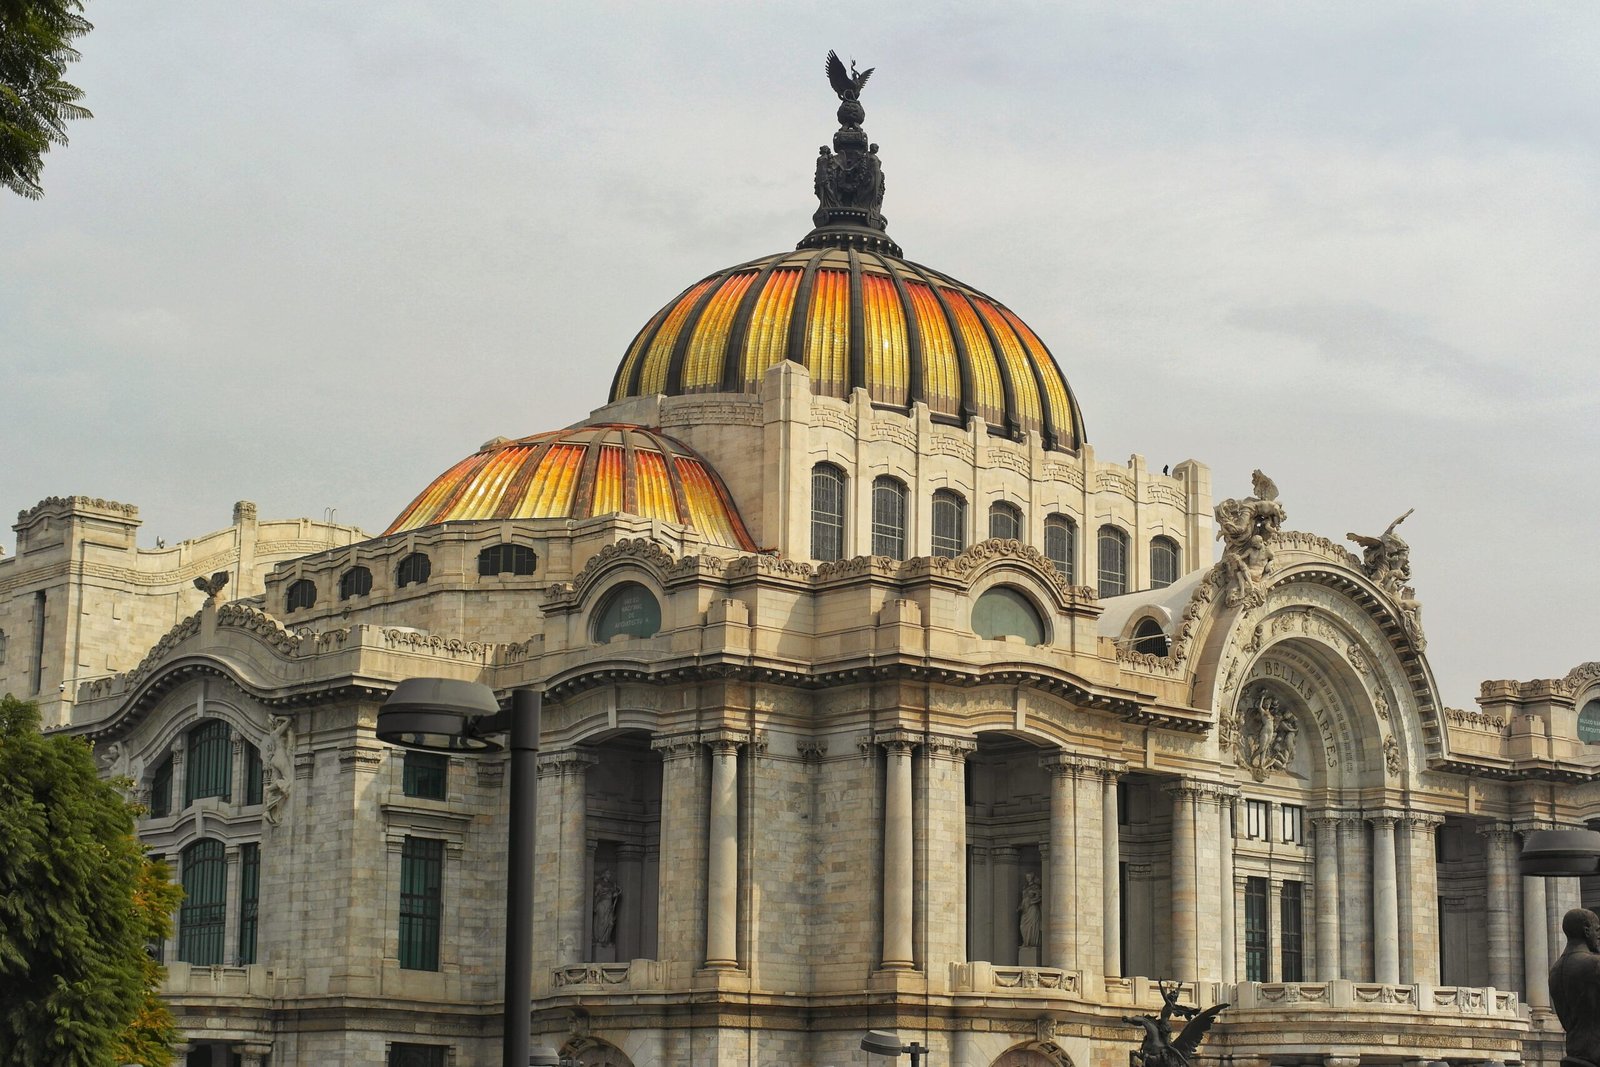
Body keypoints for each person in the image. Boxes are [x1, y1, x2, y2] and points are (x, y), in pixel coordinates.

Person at [1551, 907, 1600, 1066]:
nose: (1598, 936)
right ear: (1587, 931)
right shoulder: (1595, 964)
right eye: (1597, 930)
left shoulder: (1555, 971)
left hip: (1574, 1055)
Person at [593, 869, 622, 947]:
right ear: (604, 874)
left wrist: (616, 894)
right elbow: (596, 895)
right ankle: (599, 939)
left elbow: (613, 895)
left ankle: (606, 939)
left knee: (610, 922)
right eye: (608, 874)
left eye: (610, 874)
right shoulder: (599, 884)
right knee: (601, 921)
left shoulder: (612, 885)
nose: (609, 875)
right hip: (602, 904)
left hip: (609, 905)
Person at [1017, 872, 1042, 949]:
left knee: (1032, 925)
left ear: (1032, 877)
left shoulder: (1035, 886)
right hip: (1025, 910)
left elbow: (1040, 896)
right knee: (1023, 926)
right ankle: (1026, 942)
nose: (1028, 878)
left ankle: (1032, 943)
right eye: (1027, 877)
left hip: (1032, 909)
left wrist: (1032, 902)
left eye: (1029, 877)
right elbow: (1024, 898)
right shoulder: (1025, 887)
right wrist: (1020, 906)